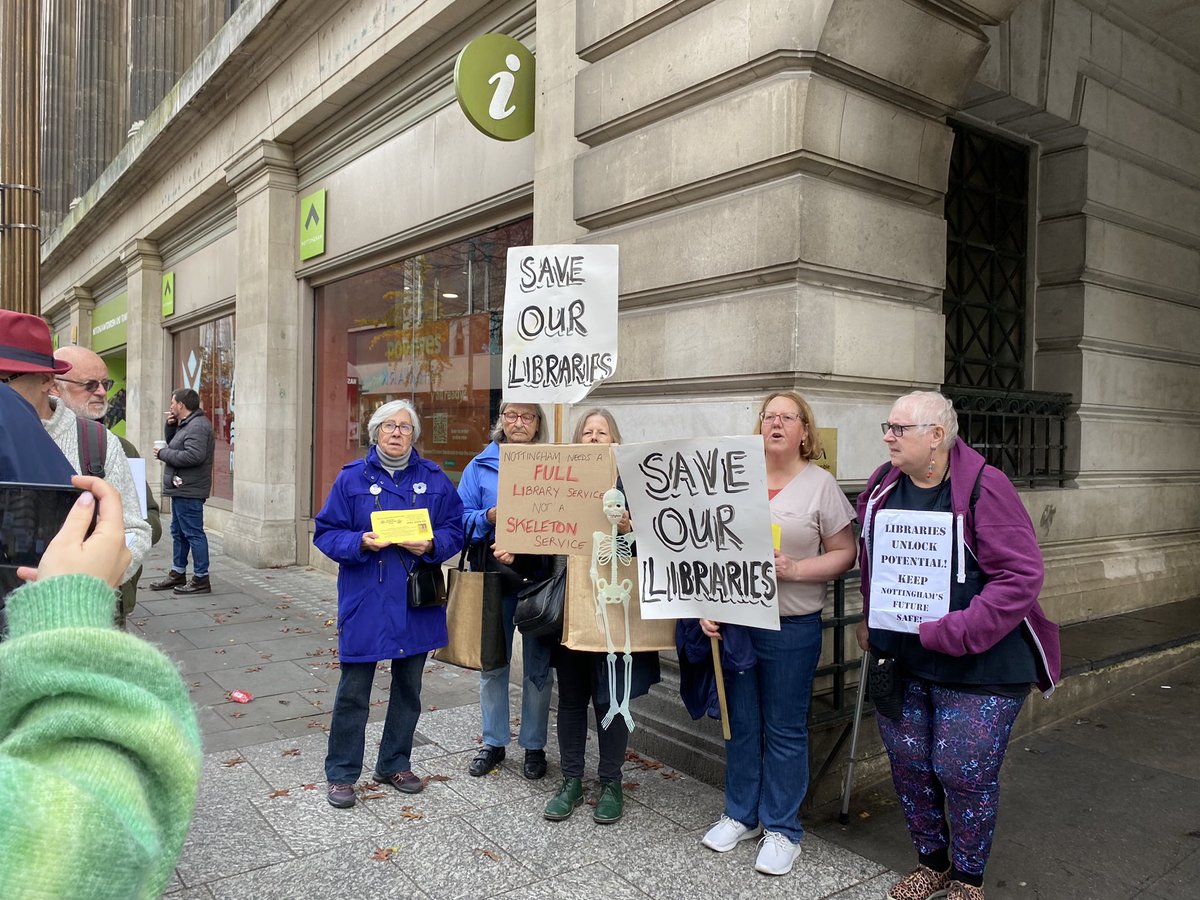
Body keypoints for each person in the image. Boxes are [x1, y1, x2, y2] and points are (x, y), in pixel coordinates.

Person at [855, 391, 1060, 900]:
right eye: (889, 427)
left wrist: (956, 630)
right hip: (901, 656)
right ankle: (932, 864)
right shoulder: (883, 486)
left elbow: (1020, 576)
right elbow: (874, 562)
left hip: (981, 663)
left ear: (937, 437)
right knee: (909, 767)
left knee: (961, 769)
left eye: (899, 429)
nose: (888, 436)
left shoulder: (987, 488)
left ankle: (969, 879)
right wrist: (871, 617)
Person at [0, 475, 202, 899]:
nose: (99, 401)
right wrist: (68, 610)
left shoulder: (104, 443)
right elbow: (87, 825)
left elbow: (141, 523)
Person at [700, 391, 856, 876]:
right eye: (769, 416)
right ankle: (741, 814)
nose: (777, 424)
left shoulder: (820, 485)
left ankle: (783, 829)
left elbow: (845, 553)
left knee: (785, 728)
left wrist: (797, 568)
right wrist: (706, 606)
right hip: (739, 625)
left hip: (791, 627)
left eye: (789, 418)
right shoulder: (733, 478)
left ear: (805, 432)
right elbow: (706, 545)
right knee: (741, 724)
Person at [314, 400, 464, 809]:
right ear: (375, 432)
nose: (396, 433)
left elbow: (455, 526)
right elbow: (325, 532)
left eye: (404, 427)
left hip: (416, 599)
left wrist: (433, 545)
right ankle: (343, 773)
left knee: (409, 688)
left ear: (414, 435)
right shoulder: (351, 479)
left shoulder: (433, 477)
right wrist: (358, 542)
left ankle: (395, 762)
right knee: (354, 690)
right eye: (388, 426)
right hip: (367, 599)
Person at [543, 408, 661, 825]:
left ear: (615, 439)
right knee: (572, 698)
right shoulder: (559, 478)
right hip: (569, 611)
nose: (594, 438)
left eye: (602, 431)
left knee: (612, 699)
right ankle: (571, 779)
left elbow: (658, 547)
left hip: (615, 611)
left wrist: (629, 527)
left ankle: (610, 782)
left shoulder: (638, 484)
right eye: (587, 432)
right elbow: (541, 533)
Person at [0, 310, 151, 586]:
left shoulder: (98, 442)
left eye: (4, 382)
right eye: (90, 385)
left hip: (69, 611)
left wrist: (91, 582)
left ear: (48, 381)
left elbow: (136, 528)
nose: (102, 392)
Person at [457, 401, 555, 780]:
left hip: (540, 579)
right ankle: (494, 741)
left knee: (538, 670)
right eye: (511, 415)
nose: (518, 422)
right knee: (493, 663)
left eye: (527, 416)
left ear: (537, 425)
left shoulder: (553, 465)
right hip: (494, 578)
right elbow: (459, 520)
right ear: (500, 420)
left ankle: (534, 746)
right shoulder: (479, 466)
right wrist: (488, 517)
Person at [52, 345, 163, 624]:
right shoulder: (29, 438)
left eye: (105, 383)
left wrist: (106, 548)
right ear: (54, 387)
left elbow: (148, 520)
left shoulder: (118, 447)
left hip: (106, 600)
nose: (102, 391)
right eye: (90, 385)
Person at [149, 388, 216, 595]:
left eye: (173, 403)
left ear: (181, 405)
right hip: (182, 488)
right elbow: (175, 444)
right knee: (178, 533)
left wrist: (163, 454)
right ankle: (178, 572)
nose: (170, 406)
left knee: (193, 533)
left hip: (189, 489)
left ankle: (201, 578)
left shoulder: (197, 426)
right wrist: (170, 426)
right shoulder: (187, 424)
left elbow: (194, 456)